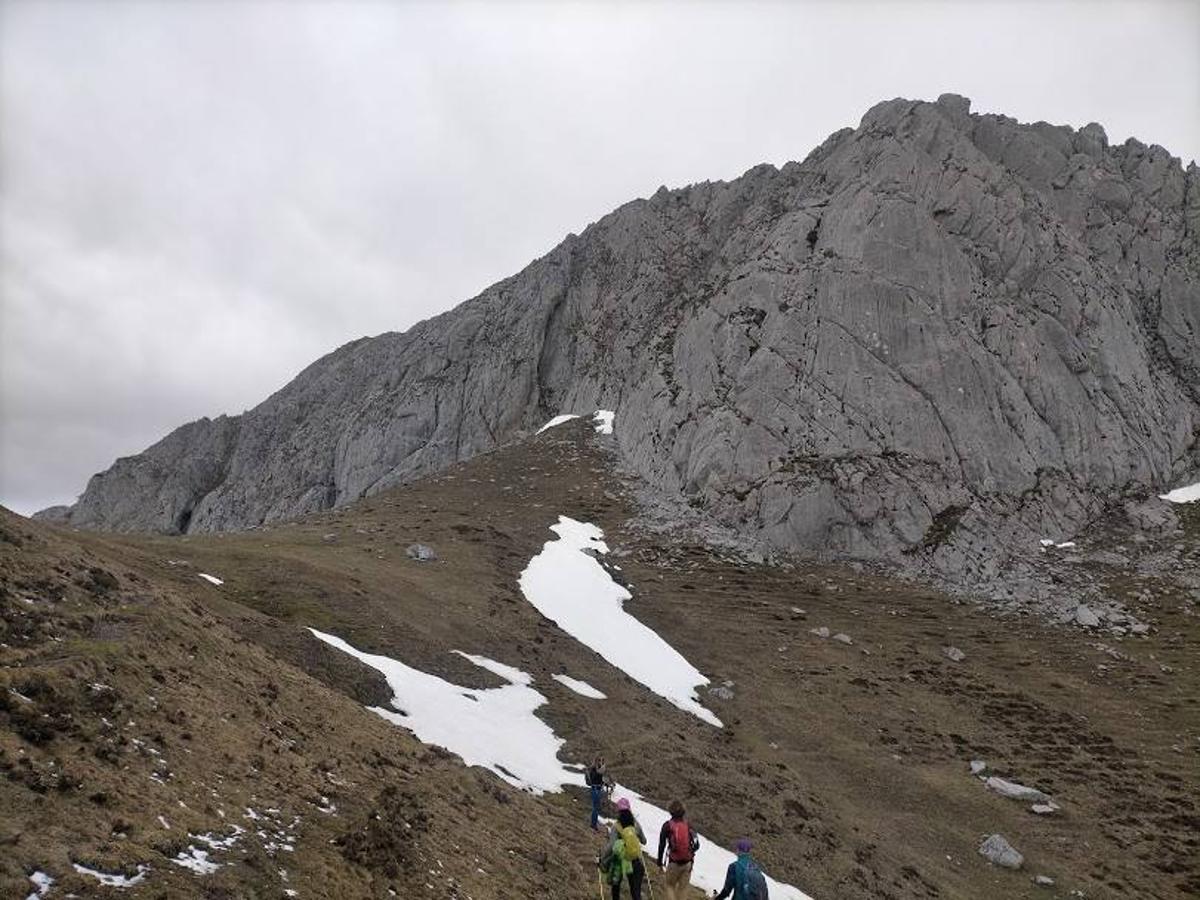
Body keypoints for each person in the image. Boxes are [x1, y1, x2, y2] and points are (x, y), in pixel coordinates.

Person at [656, 799, 699, 900]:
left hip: (674, 862)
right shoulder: (688, 825)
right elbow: (696, 845)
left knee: (670, 886)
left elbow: (661, 845)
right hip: (688, 862)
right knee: (683, 889)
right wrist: (690, 854)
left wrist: (659, 863)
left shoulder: (667, 826)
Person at [607, 797, 647, 900]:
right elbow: (644, 841)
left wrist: (603, 860)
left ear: (618, 811)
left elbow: (611, 846)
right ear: (629, 809)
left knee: (616, 888)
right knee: (635, 891)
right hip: (635, 860)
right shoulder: (635, 824)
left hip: (620, 862)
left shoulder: (616, 827)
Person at [585, 756, 609, 830]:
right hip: (596, 789)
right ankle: (593, 824)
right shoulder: (596, 770)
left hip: (595, 789)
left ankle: (594, 823)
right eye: (600, 761)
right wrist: (603, 766)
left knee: (595, 807)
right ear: (597, 761)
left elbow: (598, 778)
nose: (601, 762)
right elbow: (600, 774)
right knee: (596, 808)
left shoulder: (593, 769)